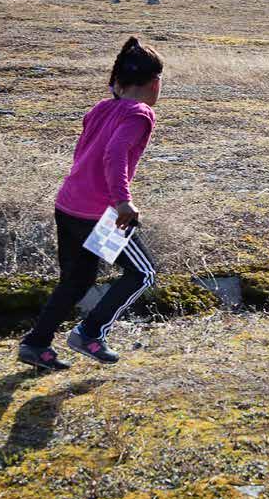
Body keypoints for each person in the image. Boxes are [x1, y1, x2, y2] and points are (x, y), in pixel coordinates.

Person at [18, 37, 163, 370]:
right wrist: (123, 202)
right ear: (155, 83)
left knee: (75, 281)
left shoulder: (100, 108)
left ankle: (35, 344)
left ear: (118, 81)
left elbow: (85, 150)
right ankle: (90, 332)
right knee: (142, 273)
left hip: (69, 205)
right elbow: (114, 155)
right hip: (103, 214)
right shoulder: (140, 114)